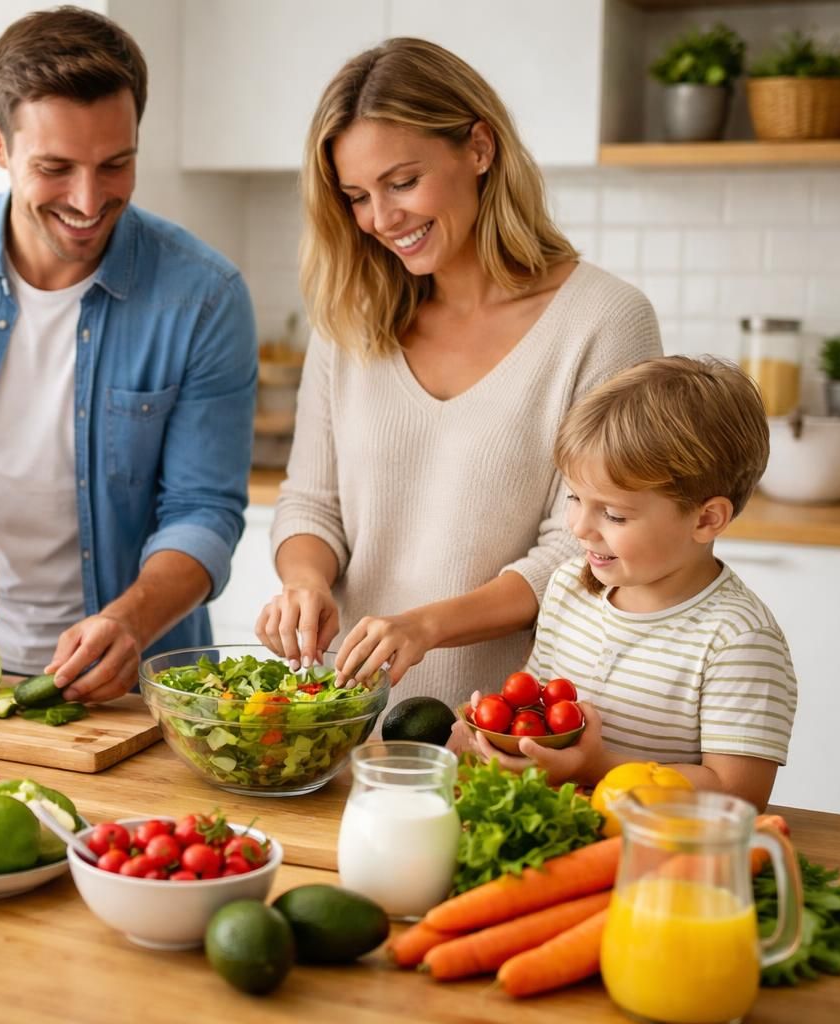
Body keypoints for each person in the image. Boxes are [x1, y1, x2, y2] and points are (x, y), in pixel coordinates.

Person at [0, 7, 257, 704]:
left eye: (115, 165)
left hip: (135, 683)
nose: (89, 202)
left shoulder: (204, 296)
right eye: (55, 169)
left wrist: (133, 619)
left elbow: (203, 511)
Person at [255, 38, 661, 706]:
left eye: (402, 182)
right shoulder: (350, 318)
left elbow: (583, 550)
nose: (382, 220)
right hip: (345, 722)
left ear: (479, 147)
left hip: (515, 731)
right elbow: (311, 501)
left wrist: (427, 626)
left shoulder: (605, 321)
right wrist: (305, 582)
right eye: (357, 196)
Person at [458, 356, 797, 810]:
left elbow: (739, 794)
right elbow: (538, 717)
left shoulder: (738, 641)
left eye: (614, 514)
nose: (579, 527)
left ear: (706, 518)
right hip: (563, 838)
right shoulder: (567, 590)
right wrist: (498, 737)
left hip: (656, 857)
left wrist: (595, 766)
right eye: (575, 497)